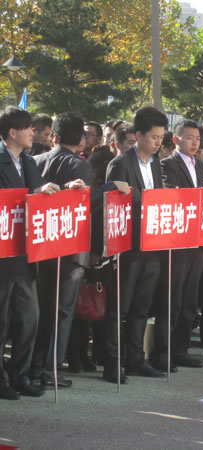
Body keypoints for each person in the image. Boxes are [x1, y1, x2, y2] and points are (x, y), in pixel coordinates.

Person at [153, 120, 203, 370]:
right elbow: (173, 195)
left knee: (190, 301)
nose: (195, 142)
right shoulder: (166, 164)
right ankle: (163, 353)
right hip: (177, 242)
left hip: (197, 240)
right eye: (190, 138)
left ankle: (181, 349)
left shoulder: (199, 164)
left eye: (198, 138)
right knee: (172, 300)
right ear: (176, 140)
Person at [104, 106, 168, 381]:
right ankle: (112, 363)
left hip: (151, 245)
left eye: (161, 138)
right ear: (138, 135)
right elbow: (112, 205)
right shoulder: (121, 163)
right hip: (127, 248)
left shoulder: (155, 163)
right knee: (119, 308)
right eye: (154, 137)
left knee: (142, 307)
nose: (158, 143)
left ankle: (135, 359)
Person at [0, 107, 59, 400]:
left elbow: (38, 195)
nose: (32, 133)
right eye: (28, 128)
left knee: (28, 318)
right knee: (1, 322)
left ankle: (19, 376)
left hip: (25, 255)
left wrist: (64, 190)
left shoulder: (29, 161)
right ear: (13, 132)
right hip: (3, 255)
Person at [31, 112, 93, 389]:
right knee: (62, 312)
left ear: (54, 135)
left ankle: (34, 366)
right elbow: (86, 207)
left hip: (39, 246)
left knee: (40, 310)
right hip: (70, 249)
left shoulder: (35, 161)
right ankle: (51, 369)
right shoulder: (80, 166)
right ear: (81, 139)